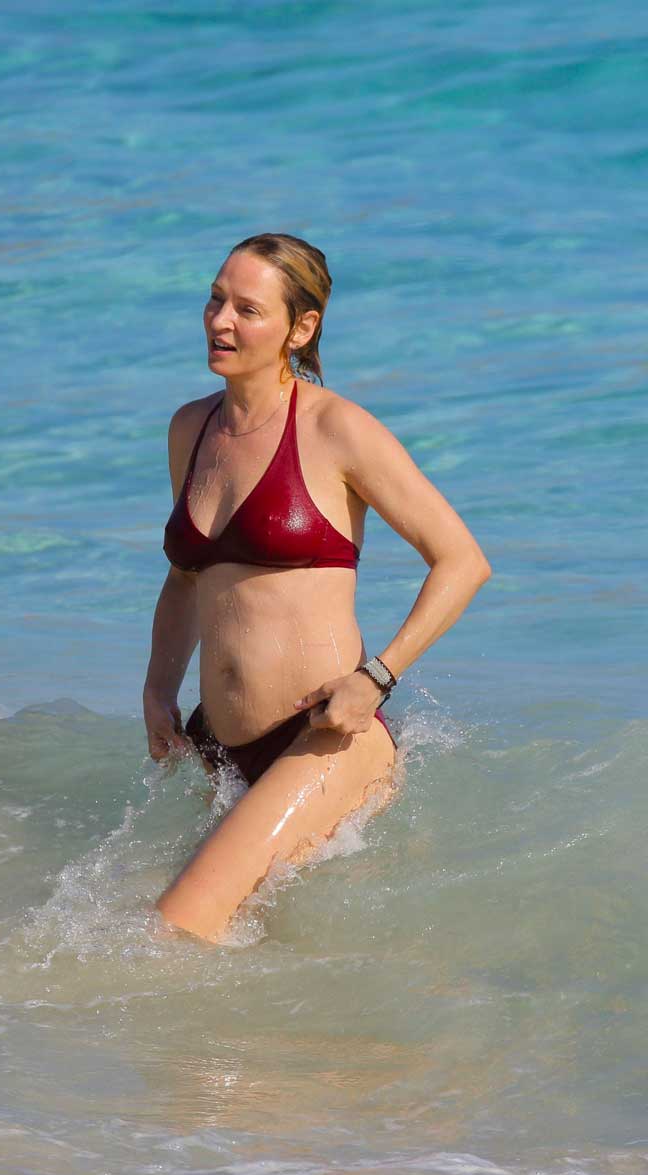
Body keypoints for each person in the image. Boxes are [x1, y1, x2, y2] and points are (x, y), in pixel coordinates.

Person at [143, 233, 491, 943]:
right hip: (221, 747)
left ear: (301, 328)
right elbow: (185, 577)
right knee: (253, 947)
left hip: (325, 739)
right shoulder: (190, 429)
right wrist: (158, 688)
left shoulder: (336, 428)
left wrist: (376, 677)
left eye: (247, 309)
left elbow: (462, 561)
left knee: (177, 927)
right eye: (215, 299)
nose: (219, 321)